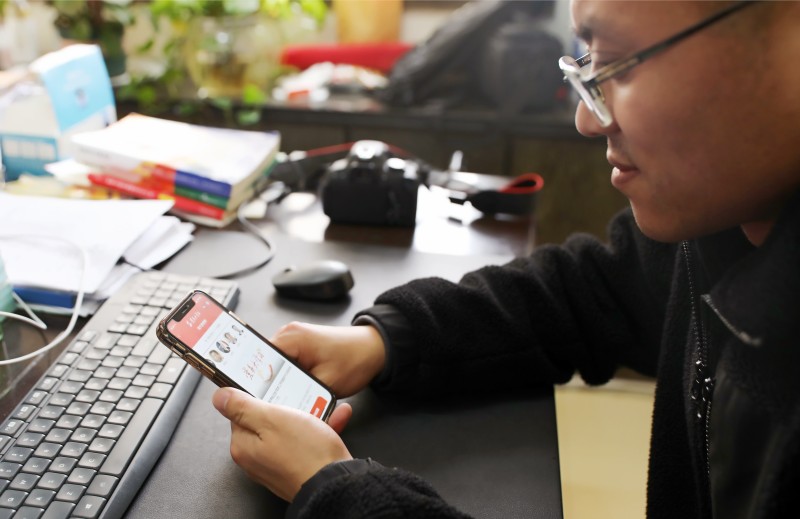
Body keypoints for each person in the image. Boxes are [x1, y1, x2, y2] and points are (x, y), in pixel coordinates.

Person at [211, 1, 800, 517]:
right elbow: (590, 290)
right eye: (586, 67)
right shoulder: (715, 229)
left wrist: (335, 491)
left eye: (619, 64)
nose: (587, 119)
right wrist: (389, 339)